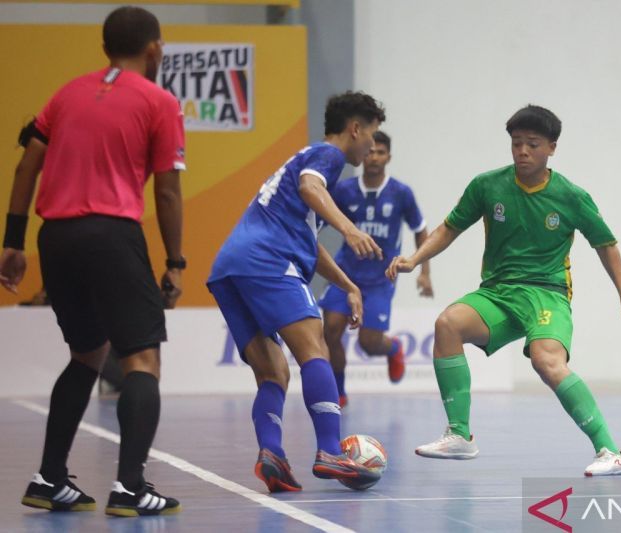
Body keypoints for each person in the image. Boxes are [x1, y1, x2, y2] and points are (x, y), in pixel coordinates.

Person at [387, 105, 621, 476]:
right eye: (516, 143)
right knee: (448, 324)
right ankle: (460, 435)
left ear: (552, 148)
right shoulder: (487, 186)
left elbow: (606, 244)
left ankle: (611, 452)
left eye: (533, 144)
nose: (523, 151)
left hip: (547, 294)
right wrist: (415, 259)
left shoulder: (571, 196)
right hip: (498, 293)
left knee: (548, 363)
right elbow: (449, 228)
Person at [1, 6, 185, 515]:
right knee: (142, 360)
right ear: (155, 49)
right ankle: (130, 487)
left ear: (105, 49)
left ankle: (49, 478)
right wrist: (176, 261)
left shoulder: (65, 94)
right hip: (110, 234)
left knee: (87, 353)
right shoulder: (160, 101)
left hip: (55, 238)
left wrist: (12, 242)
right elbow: (168, 192)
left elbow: (26, 166)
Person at [207, 91, 387, 493]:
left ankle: (272, 454)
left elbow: (309, 243)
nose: (371, 144)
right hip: (268, 259)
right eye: (371, 134)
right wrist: (350, 229)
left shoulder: (304, 164)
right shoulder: (327, 156)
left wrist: (348, 284)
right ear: (354, 129)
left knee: (274, 371)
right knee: (314, 348)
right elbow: (309, 188)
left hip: (231, 266)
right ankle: (330, 451)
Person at [319, 130, 432, 406]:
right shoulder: (344, 190)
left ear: (388, 157)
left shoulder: (401, 193)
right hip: (345, 274)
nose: (374, 157)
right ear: (363, 153)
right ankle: (339, 393)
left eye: (380, 152)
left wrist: (424, 272)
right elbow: (319, 218)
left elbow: (421, 230)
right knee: (330, 329)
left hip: (381, 279)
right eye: (370, 151)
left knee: (368, 344)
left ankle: (393, 348)